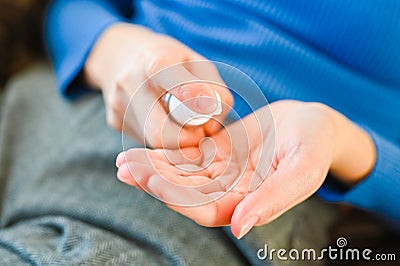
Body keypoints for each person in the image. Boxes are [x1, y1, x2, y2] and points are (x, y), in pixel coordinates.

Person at [0, 0, 398, 264]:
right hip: (60, 101)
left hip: (253, 185)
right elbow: (72, 6)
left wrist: (348, 146)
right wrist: (110, 48)